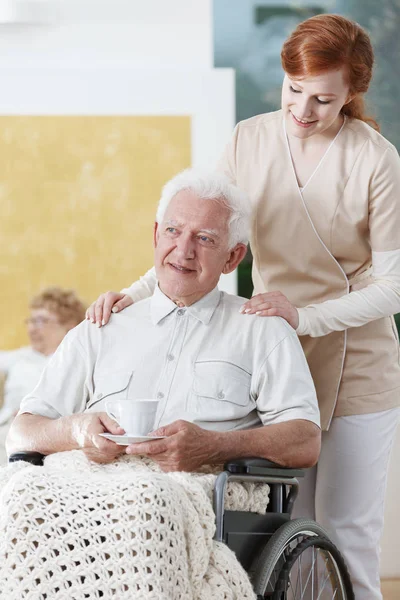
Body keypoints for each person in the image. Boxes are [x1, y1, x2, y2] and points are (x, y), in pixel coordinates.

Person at [85, 14, 400, 600]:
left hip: (358, 361)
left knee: (349, 539)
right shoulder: (248, 140)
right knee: (282, 538)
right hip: (275, 358)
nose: (303, 110)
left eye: (324, 100)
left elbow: (393, 286)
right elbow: (201, 232)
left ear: (351, 95)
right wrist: (136, 291)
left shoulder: (376, 161)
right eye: (294, 91)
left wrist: (304, 315)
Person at [7, 169, 321, 474]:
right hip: (91, 493)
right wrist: (75, 430)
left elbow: (305, 441)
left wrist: (215, 445)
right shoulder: (101, 326)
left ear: (233, 257)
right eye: (173, 231)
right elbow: (21, 433)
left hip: (199, 501)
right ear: (157, 235)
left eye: (205, 238)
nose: (183, 251)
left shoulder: (263, 329)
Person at [0, 287, 86, 463]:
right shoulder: (21, 356)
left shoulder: (79, 360)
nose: (32, 328)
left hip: (52, 434)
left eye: (41, 321)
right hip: (8, 431)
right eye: (31, 321)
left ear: (70, 326)